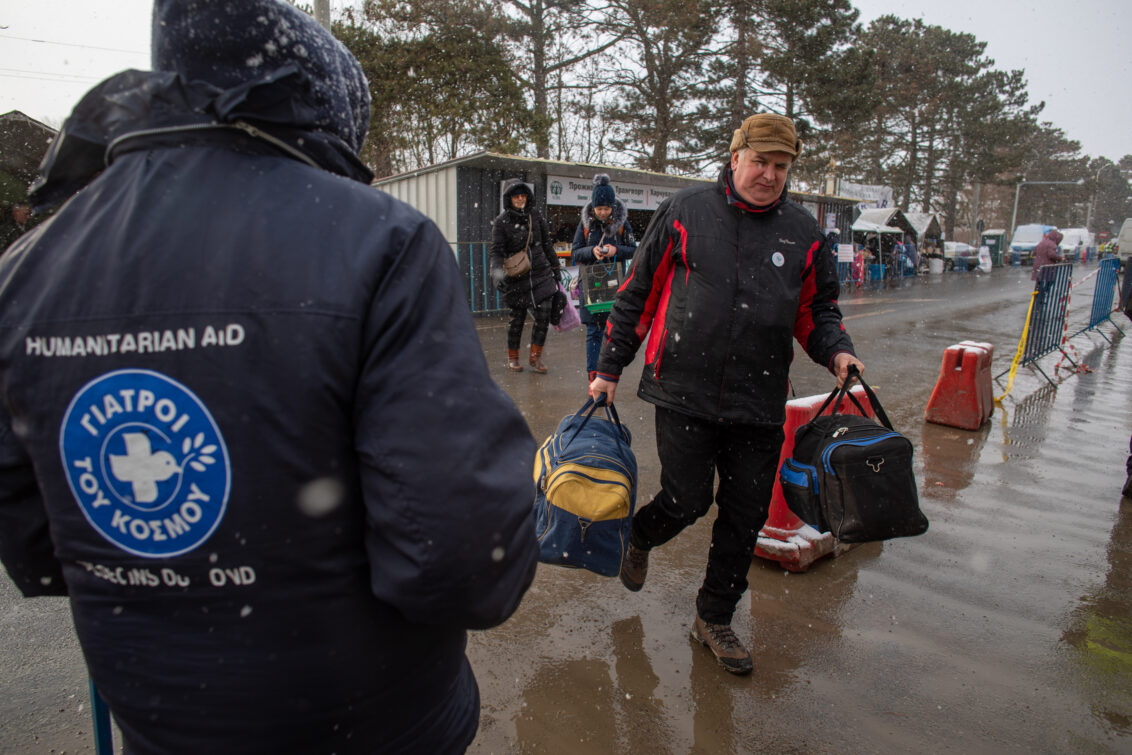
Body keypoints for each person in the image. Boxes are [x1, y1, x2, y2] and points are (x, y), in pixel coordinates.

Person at [0, 2, 537, 752]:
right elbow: (462, 555)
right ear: (323, 112)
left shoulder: (24, 271)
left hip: (158, 718)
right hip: (371, 720)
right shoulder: (381, 241)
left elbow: (32, 541)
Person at [588, 112, 865, 675]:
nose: (769, 174)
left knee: (745, 516)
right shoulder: (687, 212)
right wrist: (609, 367)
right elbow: (638, 293)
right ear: (735, 157)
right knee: (688, 500)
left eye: (780, 166)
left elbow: (816, 311)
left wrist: (837, 352)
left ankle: (714, 617)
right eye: (760, 161)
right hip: (683, 390)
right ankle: (640, 535)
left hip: (759, 400)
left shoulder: (805, 235)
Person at [571, 174, 637, 383]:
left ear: (612, 207)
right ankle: (592, 376)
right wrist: (593, 251)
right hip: (591, 285)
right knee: (593, 332)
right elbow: (575, 252)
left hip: (614, 285)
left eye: (606, 209)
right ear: (593, 207)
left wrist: (614, 249)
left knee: (611, 330)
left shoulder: (621, 224)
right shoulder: (584, 225)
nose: (602, 213)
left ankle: (606, 374)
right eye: (599, 209)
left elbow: (632, 250)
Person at [491, 179, 560, 373]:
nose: (520, 199)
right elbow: (496, 252)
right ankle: (513, 357)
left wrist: (555, 268)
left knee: (544, 314)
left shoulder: (535, 216)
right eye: (516, 196)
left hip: (540, 273)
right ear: (509, 198)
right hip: (516, 276)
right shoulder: (501, 222)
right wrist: (497, 275)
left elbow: (546, 243)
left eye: (523, 195)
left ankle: (535, 357)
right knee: (517, 318)